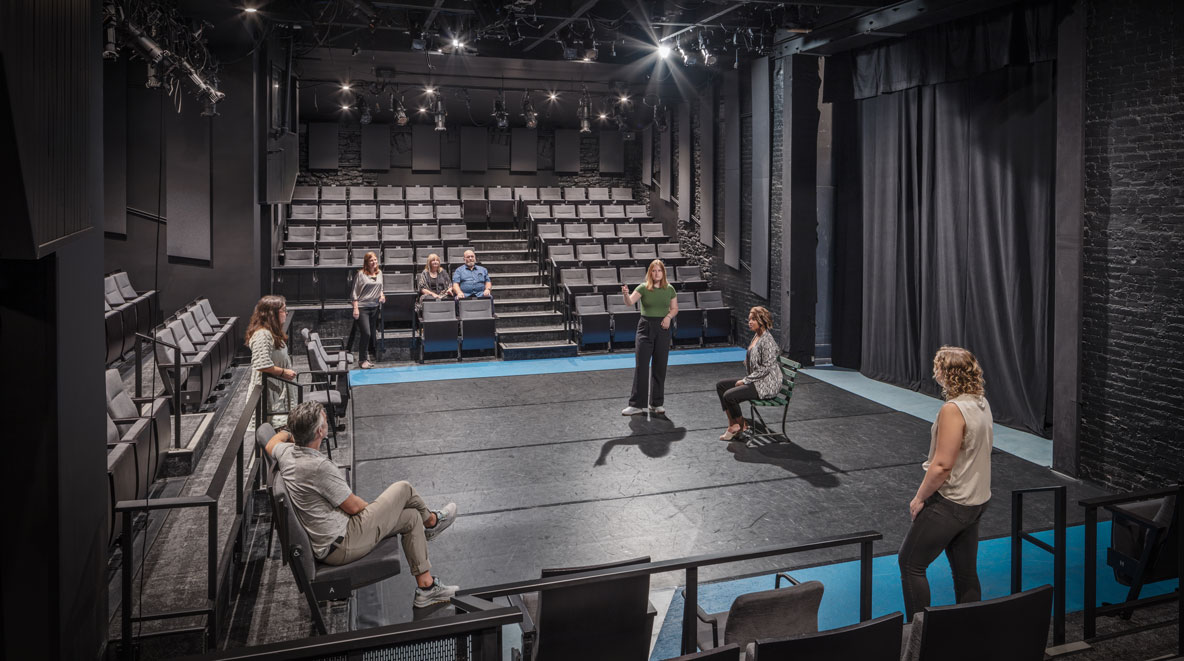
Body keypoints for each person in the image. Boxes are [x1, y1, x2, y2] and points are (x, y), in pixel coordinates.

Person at [265, 400, 460, 608]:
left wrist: (287, 432)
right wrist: (381, 515)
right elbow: (355, 507)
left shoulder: (287, 453)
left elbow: (269, 444)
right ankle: (431, 522)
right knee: (403, 489)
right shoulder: (318, 467)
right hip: (343, 543)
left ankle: (426, 589)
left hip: (331, 538)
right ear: (321, 431)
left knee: (411, 517)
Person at [898, 346, 994, 620]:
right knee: (965, 573)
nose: (934, 372)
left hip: (952, 503)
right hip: (976, 502)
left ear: (948, 374)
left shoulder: (953, 410)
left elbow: (942, 466)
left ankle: (918, 637)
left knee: (910, 564)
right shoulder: (981, 402)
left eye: (937, 367)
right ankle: (966, 633)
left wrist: (919, 498)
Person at [620, 259, 677, 415]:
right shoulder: (643, 288)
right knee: (642, 366)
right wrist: (625, 294)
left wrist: (668, 317)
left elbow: (674, 308)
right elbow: (629, 302)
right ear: (650, 272)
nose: (656, 273)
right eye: (653, 270)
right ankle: (636, 405)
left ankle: (656, 403)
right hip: (645, 328)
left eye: (659, 270)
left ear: (663, 273)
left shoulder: (670, 289)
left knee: (660, 366)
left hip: (663, 328)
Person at [715, 306, 781, 441]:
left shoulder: (767, 340)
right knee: (721, 385)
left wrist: (745, 380)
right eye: (749, 319)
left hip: (767, 384)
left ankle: (741, 425)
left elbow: (766, 368)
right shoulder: (757, 335)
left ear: (762, 321)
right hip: (757, 380)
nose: (750, 322)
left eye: (754, 319)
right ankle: (732, 425)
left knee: (729, 396)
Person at [246, 295, 298, 427]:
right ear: (272, 314)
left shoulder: (271, 332)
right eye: (283, 310)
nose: (286, 313)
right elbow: (262, 364)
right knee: (273, 432)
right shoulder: (262, 335)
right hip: (269, 391)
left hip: (277, 389)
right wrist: (283, 372)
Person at [352, 251, 385, 369]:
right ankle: (362, 360)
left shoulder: (380, 273)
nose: (374, 262)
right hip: (362, 308)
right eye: (371, 260)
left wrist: (382, 295)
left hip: (375, 307)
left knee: (369, 335)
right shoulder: (360, 274)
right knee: (366, 333)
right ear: (366, 262)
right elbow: (354, 292)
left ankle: (365, 359)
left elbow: (381, 288)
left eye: (375, 260)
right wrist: (355, 308)